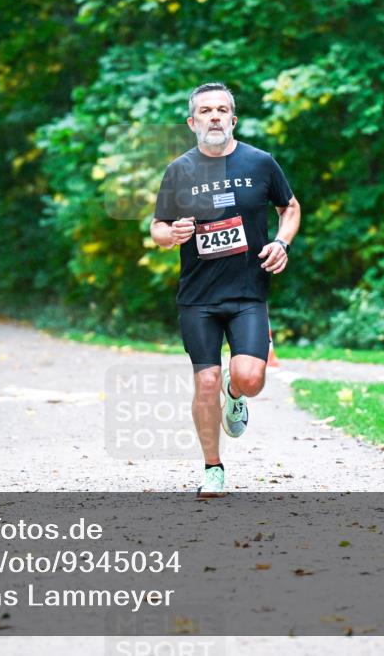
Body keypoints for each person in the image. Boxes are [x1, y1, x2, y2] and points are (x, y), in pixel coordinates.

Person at [150, 82, 301, 498]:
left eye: (222, 110)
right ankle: (212, 467)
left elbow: (289, 206)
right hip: (198, 297)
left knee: (249, 378)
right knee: (205, 382)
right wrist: (172, 233)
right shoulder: (179, 170)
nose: (214, 116)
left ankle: (237, 396)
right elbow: (157, 226)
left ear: (233, 119)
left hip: (248, 292)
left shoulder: (260, 162)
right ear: (192, 121)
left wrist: (282, 242)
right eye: (206, 111)